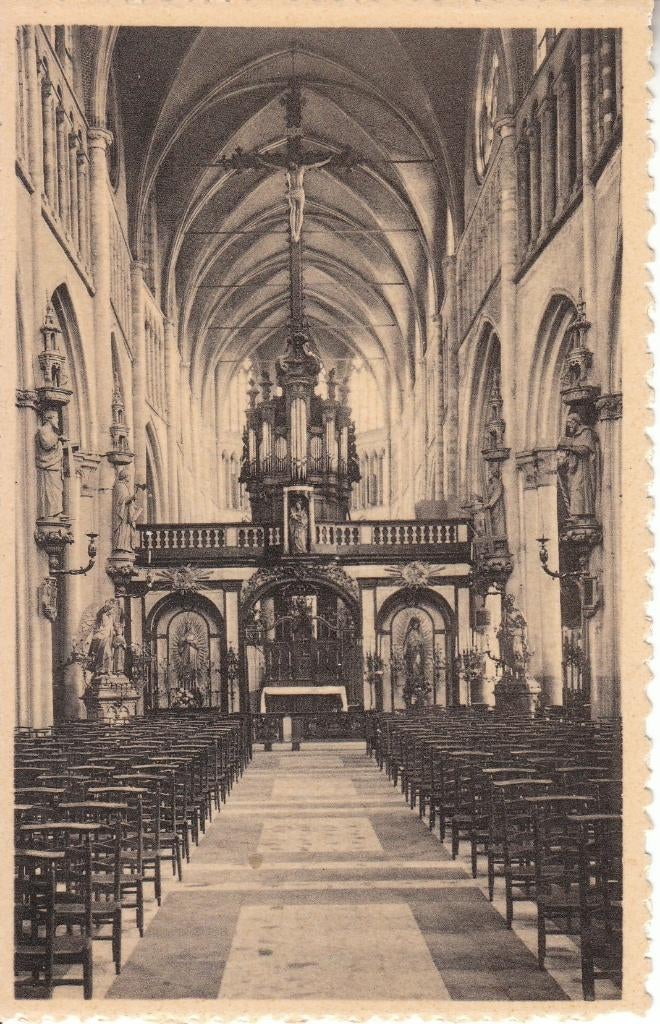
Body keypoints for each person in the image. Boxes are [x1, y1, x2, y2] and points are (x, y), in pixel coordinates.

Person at [557, 411, 600, 518]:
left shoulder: (586, 432)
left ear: (576, 422)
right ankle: (576, 514)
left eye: (570, 423)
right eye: (568, 424)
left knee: (579, 489)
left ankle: (582, 514)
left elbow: (586, 449)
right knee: (573, 489)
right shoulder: (575, 436)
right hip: (574, 468)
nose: (569, 426)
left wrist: (570, 448)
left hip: (583, 467)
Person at [35, 410, 64, 518]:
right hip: (48, 465)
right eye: (56, 418)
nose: (58, 421)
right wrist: (58, 439)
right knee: (51, 490)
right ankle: (51, 513)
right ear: (50, 418)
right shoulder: (44, 430)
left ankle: (56, 511)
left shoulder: (52, 432)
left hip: (54, 465)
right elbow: (46, 444)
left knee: (57, 489)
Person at [112, 468, 142, 552]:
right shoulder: (120, 486)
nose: (130, 478)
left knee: (126, 530)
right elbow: (121, 501)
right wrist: (132, 497)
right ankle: (120, 546)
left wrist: (135, 506)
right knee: (122, 530)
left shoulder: (124, 486)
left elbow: (127, 501)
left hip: (126, 515)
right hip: (122, 516)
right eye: (129, 476)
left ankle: (125, 547)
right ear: (125, 476)